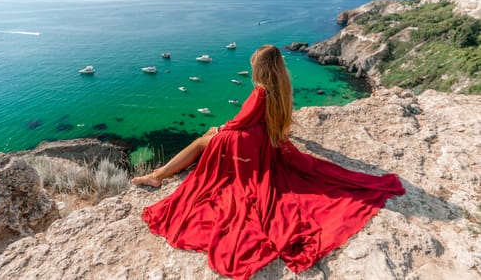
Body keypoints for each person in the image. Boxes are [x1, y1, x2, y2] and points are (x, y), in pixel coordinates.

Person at [133, 45, 405, 279]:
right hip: (266, 141)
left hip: (249, 142)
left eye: (254, 67)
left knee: (201, 141)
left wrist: (218, 131)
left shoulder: (260, 92)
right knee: (212, 136)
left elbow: (239, 123)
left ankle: (158, 174)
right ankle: (166, 169)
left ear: (260, 69)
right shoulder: (282, 85)